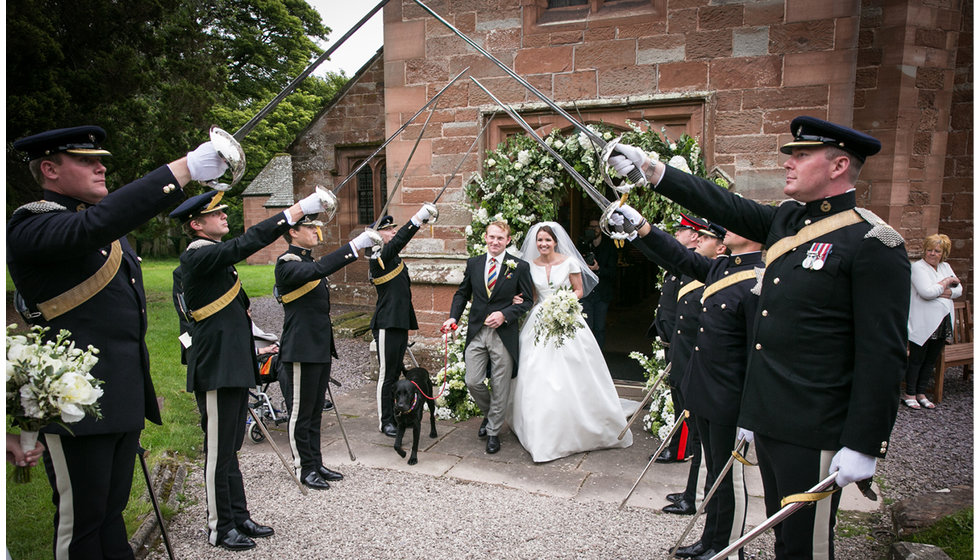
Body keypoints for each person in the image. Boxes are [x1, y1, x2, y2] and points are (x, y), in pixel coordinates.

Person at [610, 116, 910, 559]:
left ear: (839, 165)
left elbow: (882, 353)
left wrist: (866, 442)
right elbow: (726, 205)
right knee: (785, 540)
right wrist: (655, 172)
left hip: (815, 423)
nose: (789, 163)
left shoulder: (871, 242)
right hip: (771, 416)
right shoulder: (789, 221)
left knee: (807, 547)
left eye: (802, 155)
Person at [7, 125, 227, 559]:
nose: (101, 166)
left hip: (120, 393)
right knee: (81, 527)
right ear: (49, 169)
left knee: (111, 516)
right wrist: (183, 169)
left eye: (99, 159)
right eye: (86, 160)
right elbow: (96, 224)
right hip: (71, 403)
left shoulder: (102, 227)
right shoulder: (32, 226)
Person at [171, 186, 362, 551]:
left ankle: (237, 516)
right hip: (214, 368)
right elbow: (248, 243)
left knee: (231, 449)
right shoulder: (197, 257)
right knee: (217, 451)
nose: (224, 215)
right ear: (196, 224)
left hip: (230, 365)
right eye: (216, 213)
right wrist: (294, 211)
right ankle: (218, 526)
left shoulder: (216, 260)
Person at [619, 207, 764, 559]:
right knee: (714, 472)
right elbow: (678, 255)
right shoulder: (724, 267)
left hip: (732, 395)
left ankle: (728, 546)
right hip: (707, 388)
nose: (723, 231)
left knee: (730, 478)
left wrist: (754, 410)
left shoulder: (762, 277)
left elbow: (760, 351)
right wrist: (641, 226)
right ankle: (712, 539)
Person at [506, 222, 633, 462]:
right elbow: (533, 297)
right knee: (537, 372)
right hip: (539, 321)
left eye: (548, 240)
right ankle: (540, 428)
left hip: (566, 316)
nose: (543, 244)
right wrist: (519, 300)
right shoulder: (529, 266)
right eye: (540, 240)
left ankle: (579, 421)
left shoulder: (570, 262)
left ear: (555, 242)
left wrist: (562, 302)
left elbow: (579, 291)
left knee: (573, 369)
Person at [631, 217, 728, 517]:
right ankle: (692, 491)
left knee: (700, 437)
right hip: (684, 358)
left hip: (697, 365)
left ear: (720, 246)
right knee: (696, 431)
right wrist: (637, 234)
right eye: (696, 235)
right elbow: (665, 253)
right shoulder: (695, 267)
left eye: (705, 237)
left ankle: (697, 495)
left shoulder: (716, 274)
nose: (698, 240)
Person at [275, 214, 366, 490]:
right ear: (293, 232)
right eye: (310, 227)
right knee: (300, 412)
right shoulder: (287, 265)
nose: (316, 231)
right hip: (301, 349)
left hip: (318, 348)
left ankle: (315, 462)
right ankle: (303, 467)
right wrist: (355, 245)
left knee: (315, 411)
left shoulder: (308, 262)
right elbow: (319, 271)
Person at [442, 221, 534, 454]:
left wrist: (505, 314)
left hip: (503, 334)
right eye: (492, 237)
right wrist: (453, 317)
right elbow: (462, 293)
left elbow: (528, 302)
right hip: (477, 331)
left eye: (500, 238)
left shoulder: (519, 267)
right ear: (485, 237)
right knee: (472, 381)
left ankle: (493, 431)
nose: (495, 242)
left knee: (500, 384)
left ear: (508, 241)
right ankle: (491, 414)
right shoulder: (474, 263)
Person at [371, 204, 437, 437]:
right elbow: (399, 240)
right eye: (387, 230)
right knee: (387, 374)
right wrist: (419, 218)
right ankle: (385, 420)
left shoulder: (394, 258)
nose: (392, 233)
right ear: (375, 236)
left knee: (396, 372)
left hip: (399, 322)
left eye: (392, 230)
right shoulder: (377, 255)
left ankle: (397, 412)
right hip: (386, 324)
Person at [648, 212, 708, 466]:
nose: (676, 235)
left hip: (683, 343)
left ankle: (683, 449)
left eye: (680, 231)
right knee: (677, 396)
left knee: (684, 400)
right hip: (673, 342)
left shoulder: (694, 264)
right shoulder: (683, 263)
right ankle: (681, 446)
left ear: (694, 235)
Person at [905, 233, 962, 409]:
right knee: (917, 358)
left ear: (943, 253)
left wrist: (943, 290)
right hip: (923, 321)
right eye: (929, 250)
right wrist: (946, 283)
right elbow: (926, 292)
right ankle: (910, 393)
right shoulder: (918, 268)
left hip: (943, 320)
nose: (932, 253)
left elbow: (959, 289)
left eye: (937, 251)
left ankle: (921, 392)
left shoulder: (946, 266)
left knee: (931, 359)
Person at [578, 217, 617, 349]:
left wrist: (597, 269)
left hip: (602, 293)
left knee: (599, 328)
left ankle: (599, 356)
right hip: (586, 293)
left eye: (596, 227)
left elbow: (613, 271)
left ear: (601, 228)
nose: (594, 230)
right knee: (586, 327)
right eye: (591, 227)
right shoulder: (582, 244)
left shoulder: (609, 246)